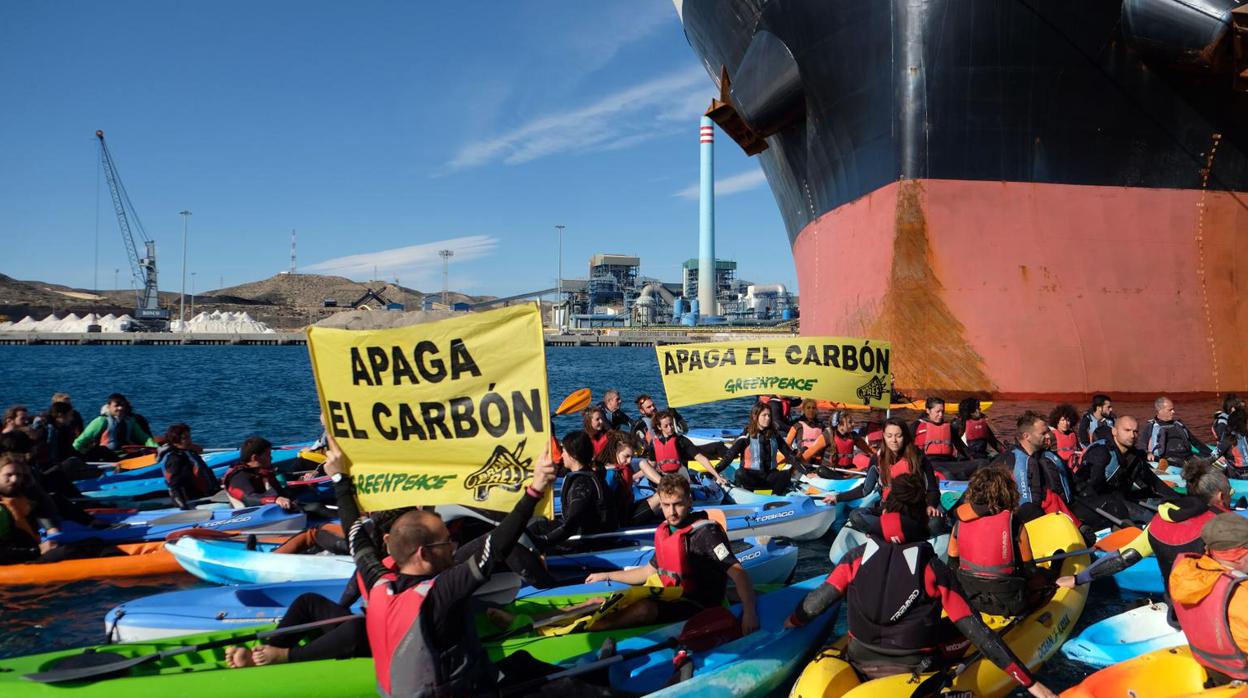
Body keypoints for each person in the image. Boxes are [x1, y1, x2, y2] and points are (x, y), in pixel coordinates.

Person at [326, 427, 578, 696]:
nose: (453, 547)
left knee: (521, 663)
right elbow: (496, 547)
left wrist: (340, 478)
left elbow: (354, 532)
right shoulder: (438, 595)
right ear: (423, 554)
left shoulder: (376, 582)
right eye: (446, 543)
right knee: (563, 688)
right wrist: (535, 489)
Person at [785, 474, 1057, 698]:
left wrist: (793, 621)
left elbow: (815, 602)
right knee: (958, 632)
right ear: (921, 518)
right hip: (912, 667)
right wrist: (1030, 682)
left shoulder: (855, 558)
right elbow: (978, 633)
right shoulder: (931, 569)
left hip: (858, 657)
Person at [1058, 458, 1231, 626]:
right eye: (1230, 495)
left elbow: (1123, 557)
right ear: (1220, 496)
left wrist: (1078, 578)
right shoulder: (1221, 523)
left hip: (1177, 613)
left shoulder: (1159, 521)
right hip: (1215, 616)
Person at [584, 474, 759, 635]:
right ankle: (589, 618)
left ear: (689, 501)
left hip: (699, 605)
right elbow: (648, 572)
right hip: (673, 596)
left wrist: (749, 613)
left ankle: (592, 630)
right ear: (660, 503)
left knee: (644, 608)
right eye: (666, 505)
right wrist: (606, 575)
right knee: (614, 600)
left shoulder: (706, 533)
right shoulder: (667, 530)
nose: (672, 512)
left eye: (678, 504)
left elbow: (739, 573)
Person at [947, 467, 1055, 616]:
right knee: (1047, 576)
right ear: (1007, 493)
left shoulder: (959, 523)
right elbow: (1030, 570)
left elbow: (952, 564)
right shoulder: (1014, 523)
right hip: (1011, 601)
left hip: (972, 598)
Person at [824, 418, 944, 535]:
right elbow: (865, 489)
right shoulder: (877, 459)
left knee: (936, 523)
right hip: (888, 510)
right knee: (856, 515)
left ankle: (889, 531)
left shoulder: (918, 457)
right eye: (889, 436)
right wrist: (838, 497)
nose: (894, 440)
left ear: (905, 436)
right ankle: (895, 531)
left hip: (914, 511)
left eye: (898, 436)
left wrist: (931, 505)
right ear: (884, 437)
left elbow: (932, 489)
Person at [1169, 513, 1248, 685]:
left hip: (1215, 670)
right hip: (1243, 678)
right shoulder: (1241, 595)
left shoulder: (1186, 573)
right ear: (1239, 554)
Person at [1073, 415, 1179, 529]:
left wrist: (1177, 499)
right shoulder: (1101, 452)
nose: (1132, 435)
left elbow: (1153, 481)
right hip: (1091, 506)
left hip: (1119, 499)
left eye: (1135, 431)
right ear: (1114, 431)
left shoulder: (1134, 456)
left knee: (1161, 503)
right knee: (1148, 517)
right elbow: (1087, 489)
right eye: (1127, 430)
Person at [530, 431, 618, 550]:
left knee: (533, 528)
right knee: (537, 520)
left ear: (573, 455)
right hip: (587, 532)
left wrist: (544, 541)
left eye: (564, 451)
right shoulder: (590, 474)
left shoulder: (582, 484)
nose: (561, 456)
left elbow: (572, 524)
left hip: (589, 540)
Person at [992, 411, 1077, 523]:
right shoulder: (1013, 462)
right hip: (1033, 521)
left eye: (1047, 432)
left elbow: (1070, 482)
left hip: (1064, 510)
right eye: (1043, 433)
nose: (1048, 436)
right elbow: (1029, 507)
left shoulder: (1047, 456)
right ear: (1026, 436)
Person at [714, 402, 801, 493]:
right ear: (755, 416)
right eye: (764, 415)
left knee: (785, 474)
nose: (768, 418)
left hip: (768, 477)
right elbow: (729, 457)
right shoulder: (746, 437)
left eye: (769, 415)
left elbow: (790, 455)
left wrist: (807, 472)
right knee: (740, 473)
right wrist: (715, 473)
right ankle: (744, 495)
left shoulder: (774, 436)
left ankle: (776, 498)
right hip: (750, 478)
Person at [640, 410, 725, 488]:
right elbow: (651, 465)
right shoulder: (654, 444)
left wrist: (717, 476)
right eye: (666, 426)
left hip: (680, 476)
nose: (670, 428)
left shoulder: (681, 441)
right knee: (643, 464)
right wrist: (635, 477)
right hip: (663, 478)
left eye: (671, 424)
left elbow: (700, 458)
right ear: (659, 427)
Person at [72, 393, 157, 461]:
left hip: (124, 453)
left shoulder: (130, 421)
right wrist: (79, 457)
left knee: (144, 452)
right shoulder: (101, 421)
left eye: (122, 405)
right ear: (109, 407)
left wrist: (156, 448)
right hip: (106, 456)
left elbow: (144, 438)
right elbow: (80, 442)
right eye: (116, 405)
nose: (120, 408)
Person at [912, 397, 981, 479]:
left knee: (982, 463)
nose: (941, 415)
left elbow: (961, 447)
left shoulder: (948, 427)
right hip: (929, 463)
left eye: (942, 411)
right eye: (938, 412)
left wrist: (973, 457)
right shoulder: (917, 425)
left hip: (949, 463)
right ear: (928, 410)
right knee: (947, 474)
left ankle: (980, 486)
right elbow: (906, 445)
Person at [222, 436, 297, 511]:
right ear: (255, 458)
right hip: (251, 514)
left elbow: (281, 492)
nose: (271, 458)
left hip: (270, 508)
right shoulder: (239, 476)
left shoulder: (261, 472)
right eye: (268, 455)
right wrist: (275, 499)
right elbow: (249, 498)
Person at [160, 423, 221, 510]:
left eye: (189, 437)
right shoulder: (175, 459)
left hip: (209, 494)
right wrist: (183, 507)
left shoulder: (189, 452)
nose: (190, 440)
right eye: (186, 438)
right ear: (176, 440)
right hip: (195, 500)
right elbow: (174, 486)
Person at [1142, 396, 1211, 466]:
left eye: (1173, 409)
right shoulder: (1150, 426)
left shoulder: (1179, 425)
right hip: (1168, 461)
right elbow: (1142, 445)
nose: (1173, 412)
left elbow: (1196, 442)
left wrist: (1212, 454)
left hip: (1187, 458)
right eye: (1170, 410)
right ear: (1160, 410)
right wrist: (1148, 453)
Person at [814, 411, 874, 477]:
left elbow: (870, 452)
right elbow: (808, 453)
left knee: (865, 471)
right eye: (850, 422)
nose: (853, 424)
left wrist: (881, 457)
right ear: (840, 425)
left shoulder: (854, 436)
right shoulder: (827, 435)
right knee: (821, 470)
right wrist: (806, 473)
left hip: (847, 470)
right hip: (829, 471)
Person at [785, 399, 829, 464]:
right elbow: (787, 445)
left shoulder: (822, 426)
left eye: (813, 408)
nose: (811, 410)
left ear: (816, 410)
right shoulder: (797, 425)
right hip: (803, 460)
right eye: (808, 407)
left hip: (818, 462)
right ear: (803, 409)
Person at [1047, 403, 1082, 471]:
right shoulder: (1051, 435)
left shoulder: (1073, 434)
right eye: (1063, 420)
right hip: (1060, 467)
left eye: (1068, 420)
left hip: (1075, 465)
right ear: (1057, 422)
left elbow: (1079, 449)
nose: (1065, 423)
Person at [1218, 409, 1248, 479]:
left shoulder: (1227, 440)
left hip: (1238, 477)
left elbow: (1211, 458)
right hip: (1242, 475)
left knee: (1221, 463)